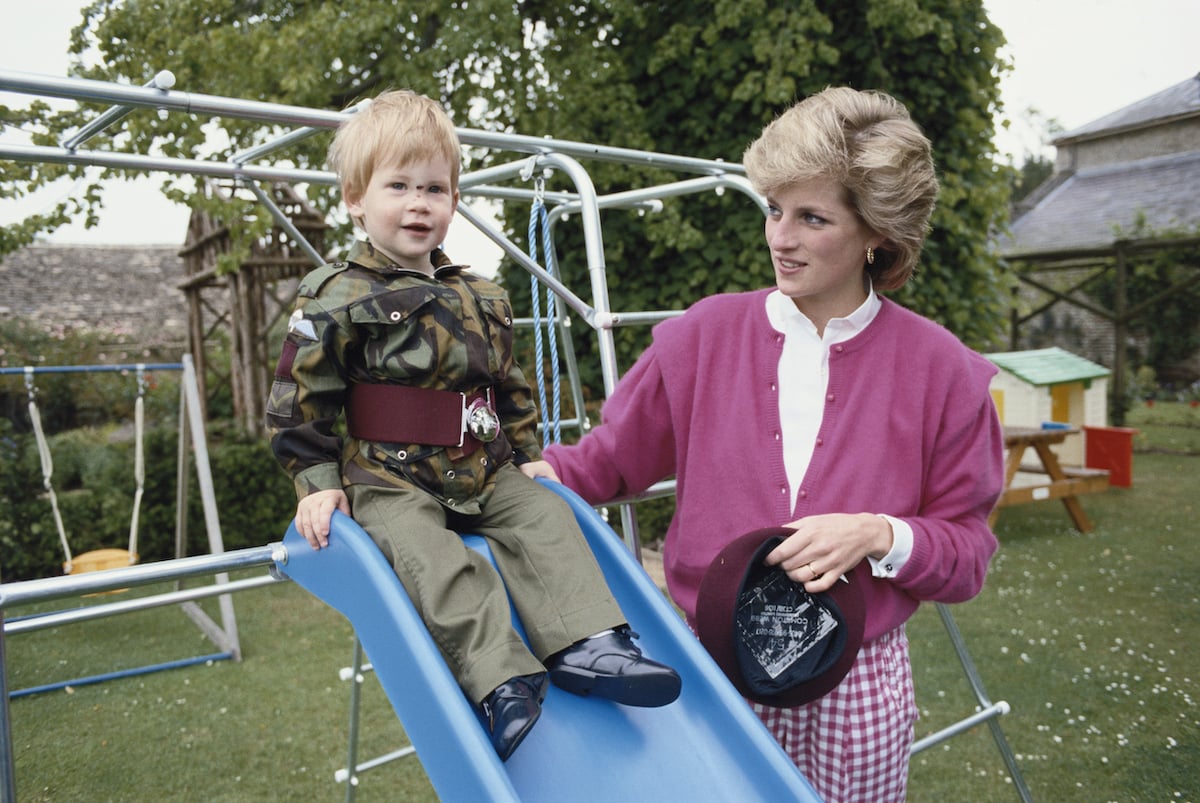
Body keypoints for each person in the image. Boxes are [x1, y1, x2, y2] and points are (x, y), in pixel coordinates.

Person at [524, 86, 1004, 800]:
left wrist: (877, 533)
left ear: (876, 233)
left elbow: (966, 557)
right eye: (775, 208)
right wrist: (514, 478)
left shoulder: (945, 374)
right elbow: (603, 463)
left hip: (858, 688)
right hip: (709, 670)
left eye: (812, 217)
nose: (780, 236)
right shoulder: (697, 338)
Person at [266, 89, 680, 762]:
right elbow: (297, 399)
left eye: (435, 187)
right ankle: (501, 679)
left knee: (547, 517)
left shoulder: (484, 294)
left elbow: (510, 388)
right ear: (354, 197)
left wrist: (526, 453)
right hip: (389, 477)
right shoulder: (333, 295)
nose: (418, 202)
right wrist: (315, 482)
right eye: (397, 186)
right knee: (431, 557)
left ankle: (590, 644)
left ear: (454, 199)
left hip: (482, 466)